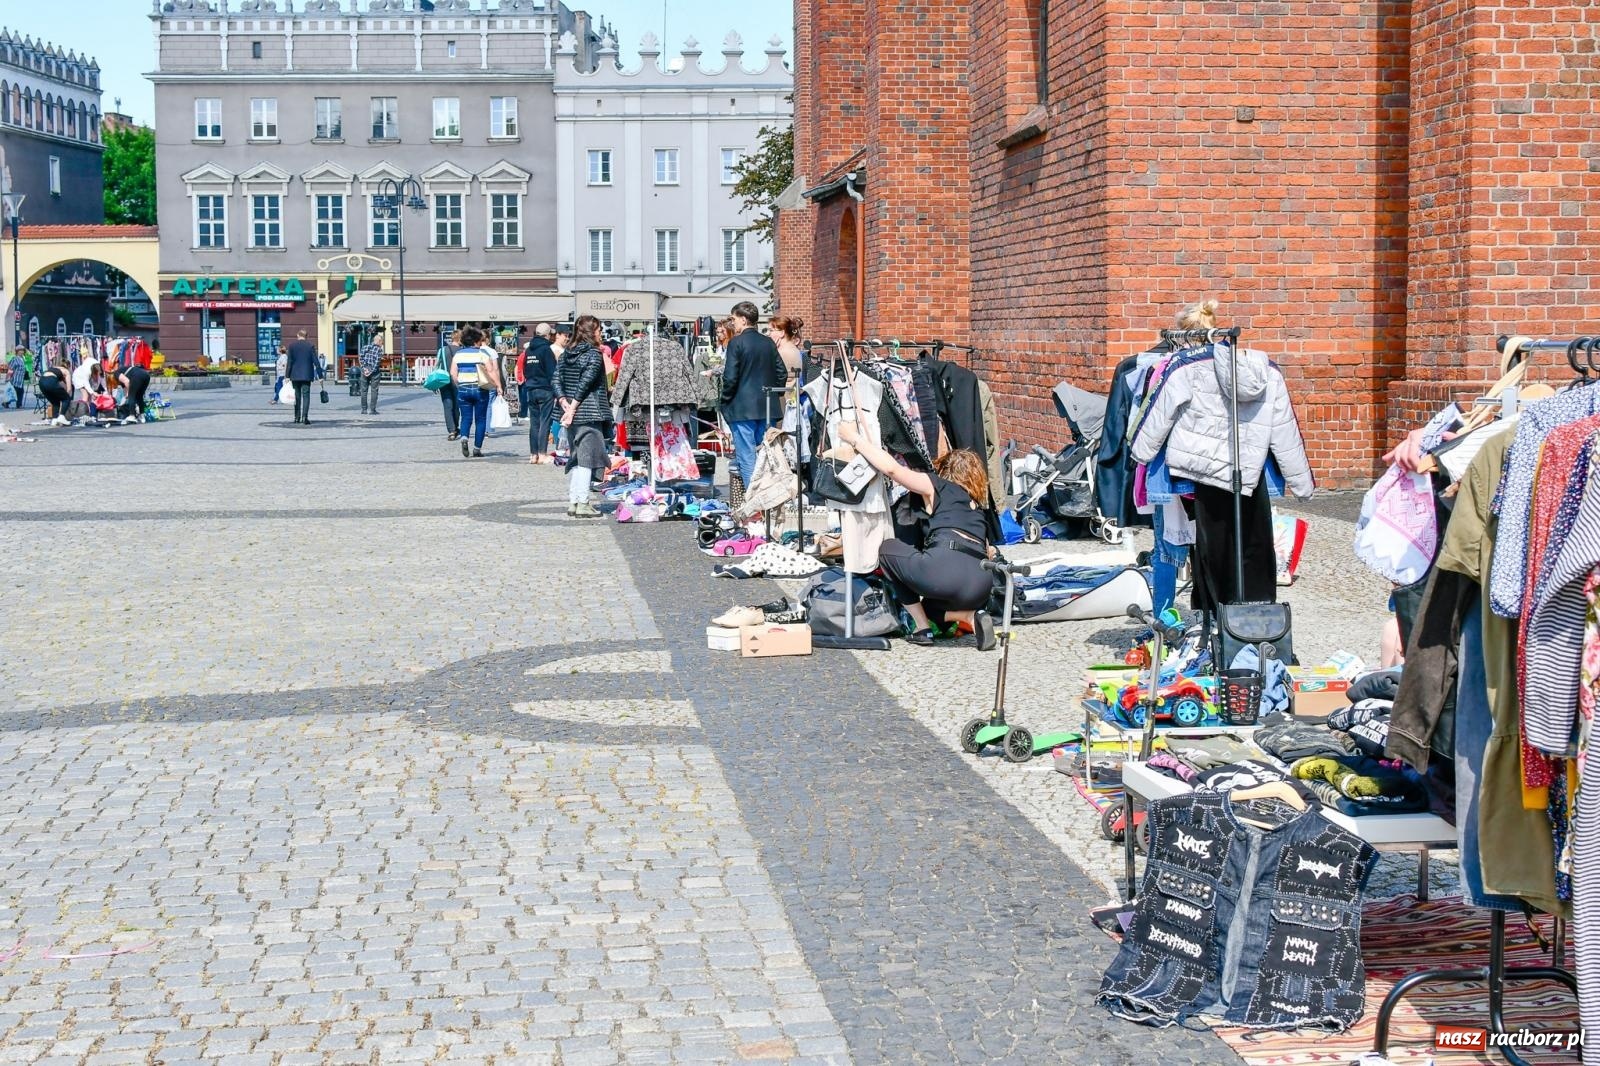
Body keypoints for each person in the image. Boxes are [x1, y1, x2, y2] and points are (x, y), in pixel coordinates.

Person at [839, 420, 998, 651]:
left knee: (887, 549)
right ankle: (969, 616)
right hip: (981, 585)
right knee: (932, 607)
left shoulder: (939, 486)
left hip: (944, 573)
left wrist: (854, 438)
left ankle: (921, 627)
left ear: (945, 471)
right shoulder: (976, 507)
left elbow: (893, 470)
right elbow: (989, 550)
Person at [720, 301, 787, 491]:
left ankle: (754, 501)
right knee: (768, 455)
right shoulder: (768, 342)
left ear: (743, 319)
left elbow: (730, 377)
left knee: (747, 457)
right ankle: (768, 500)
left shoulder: (736, 343)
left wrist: (725, 400)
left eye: (734, 319)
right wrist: (775, 393)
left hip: (742, 408)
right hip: (767, 407)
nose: (732, 323)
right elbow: (781, 372)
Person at [556, 314, 611, 518]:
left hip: (570, 412)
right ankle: (583, 502)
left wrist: (563, 401)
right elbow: (585, 384)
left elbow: (556, 380)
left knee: (578, 457)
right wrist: (572, 408)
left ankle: (574, 500)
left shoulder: (566, 353)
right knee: (587, 459)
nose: (600, 333)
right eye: (598, 329)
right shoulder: (594, 355)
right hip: (589, 411)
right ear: (591, 332)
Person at [449, 325, 506, 458]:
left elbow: (453, 373)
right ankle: (477, 448)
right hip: (480, 389)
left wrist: (460, 384)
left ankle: (464, 438)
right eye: (480, 341)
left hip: (463, 389)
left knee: (466, 417)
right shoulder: (482, 354)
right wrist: (498, 386)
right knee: (480, 419)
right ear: (475, 341)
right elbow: (491, 371)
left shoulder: (458, 354)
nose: (481, 343)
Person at [523, 323, 558, 464]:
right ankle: (542, 454)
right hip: (545, 389)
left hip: (531, 389)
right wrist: (556, 391)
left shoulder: (529, 350)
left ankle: (533, 455)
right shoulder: (546, 350)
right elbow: (552, 372)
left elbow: (525, 369)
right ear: (547, 335)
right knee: (545, 422)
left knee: (534, 422)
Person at [285, 329, 323, 425]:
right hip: (306, 375)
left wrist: (287, 376)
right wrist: (320, 376)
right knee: (306, 396)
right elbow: (316, 362)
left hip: (295, 375)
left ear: (298, 335)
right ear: (306, 336)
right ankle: (305, 417)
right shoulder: (310, 346)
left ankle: (296, 417)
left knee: (297, 396)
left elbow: (289, 362)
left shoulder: (292, 346)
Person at [436, 329, 462, 441]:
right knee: (457, 406)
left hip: (444, 380)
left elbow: (437, 366)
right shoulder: (462, 351)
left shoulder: (442, 350)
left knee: (447, 406)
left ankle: (451, 430)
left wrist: (435, 383)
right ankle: (456, 427)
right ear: (460, 339)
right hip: (458, 381)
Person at [766, 314, 804, 386]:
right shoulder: (793, 349)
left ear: (781, 333)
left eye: (771, 330)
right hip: (792, 394)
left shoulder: (781, 352)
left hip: (783, 395)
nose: (768, 334)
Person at [115, 359, 151, 425]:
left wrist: (129, 393)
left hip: (137, 376)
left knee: (132, 396)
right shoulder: (124, 370)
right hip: (146, 375)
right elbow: (125, 388)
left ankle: (132, 416)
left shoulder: (116, 373)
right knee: (139, 396)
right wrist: (125, 397)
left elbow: (127, 382)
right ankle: (142, 415)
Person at [358, 338, 383, 415]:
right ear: (378, 341)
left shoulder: (365, 347)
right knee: (374, 390)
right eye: (382, 342)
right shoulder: (378, 350)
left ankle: (364, 409)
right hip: (374, 372)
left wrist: (364, 368)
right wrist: (371, 370)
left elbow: (360, 358)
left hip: (364, 371)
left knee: (364, 391)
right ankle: (372, 410)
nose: (382, 344)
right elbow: (377, 362)